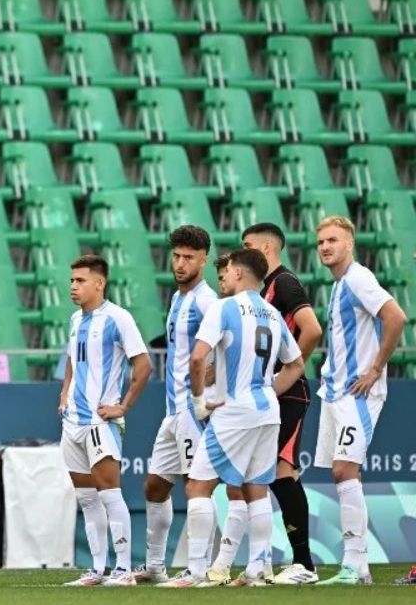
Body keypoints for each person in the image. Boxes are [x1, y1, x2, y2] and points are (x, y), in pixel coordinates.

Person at [159, 248, 307, 588]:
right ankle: (259, 568)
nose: (223, 277)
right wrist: (270, 386)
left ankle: (196, 572)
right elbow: (297, 364)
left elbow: (198, 359)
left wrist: (198, 403)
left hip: (233, 411)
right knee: (256, 489)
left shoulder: (223, 308)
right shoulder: (271, 313)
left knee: (198, 486)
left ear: (239, 273)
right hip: (267, 411)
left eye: (227, 272)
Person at [312, 216, 406, 586]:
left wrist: (375, 369)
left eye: (332, 240)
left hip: (358, 393)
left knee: (343, 469)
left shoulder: (358, 278)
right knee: (343, 472)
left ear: (349, 243)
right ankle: (355, 565)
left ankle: (356, 565)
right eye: (320, 241)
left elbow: (396, 317)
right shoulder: (338, 286)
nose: (325, 247)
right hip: (335, 392)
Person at [57, 255, 151, 587]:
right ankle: (97, 569)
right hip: (73, 422)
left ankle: (123, 569)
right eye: (72, 280)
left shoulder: (118, 318)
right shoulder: (74, 320)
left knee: (109, 492)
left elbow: (143, 365)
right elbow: (72, 357)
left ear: (100, 283)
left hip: (100, 421)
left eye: (80, 281)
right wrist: (64, 393)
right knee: (86, 497)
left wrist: (122, 406)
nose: (73, 286)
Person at [238, 223, 323, 585]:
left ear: (266, 249)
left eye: (247, 246)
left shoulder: (284, 282)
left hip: (288, 392)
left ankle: (303, 563)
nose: (242, 253)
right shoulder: (265, 289)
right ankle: (279, 561)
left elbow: (313, 329)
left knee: (281, 471)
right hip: (274, 391)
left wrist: (291, 369)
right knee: (272, 473)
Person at [135, 226, 218, 583]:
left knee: (196, 485)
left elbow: (224, 349)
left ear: (204, 260)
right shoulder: (178, 299)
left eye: (189, 258)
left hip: (192, 409)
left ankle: (199, 568)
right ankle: (155, 566)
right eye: (177, 256)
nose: (181, 264)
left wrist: (205, 391)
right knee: (155, 485)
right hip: (173, 410)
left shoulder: (206, 300)